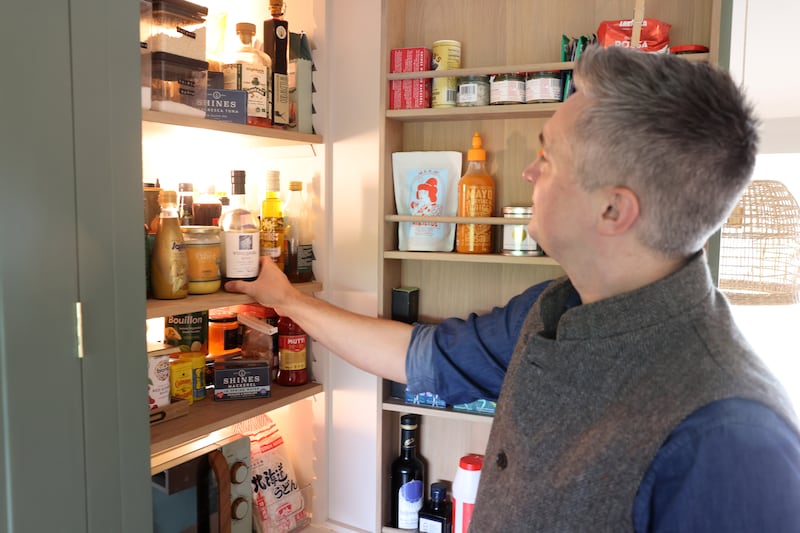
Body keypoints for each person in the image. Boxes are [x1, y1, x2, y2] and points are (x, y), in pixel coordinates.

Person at [226, 45, 800, 531]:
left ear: (612, 209)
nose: (528, 172)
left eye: (547, 157)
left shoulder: (734, 440)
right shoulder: (555, 309)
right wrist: (287, 301)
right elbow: (414, 356)